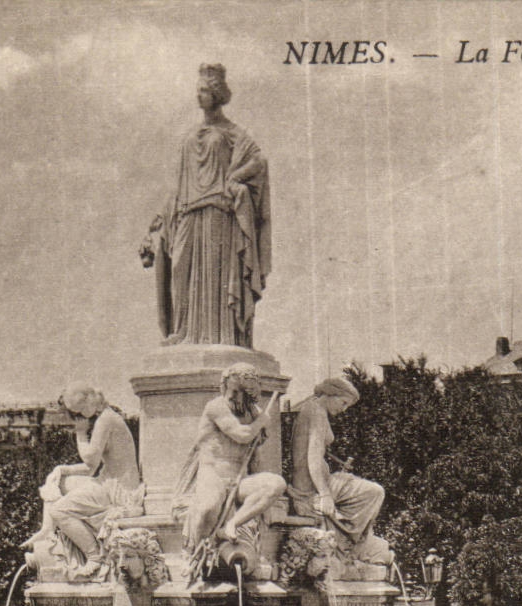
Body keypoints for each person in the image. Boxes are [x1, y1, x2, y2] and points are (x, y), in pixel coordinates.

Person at [140, 64, 270, 347]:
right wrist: (157, 223)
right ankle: (182, 331)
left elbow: (259, 162)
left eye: (204, 90)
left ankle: (221, 336)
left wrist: (234, 177)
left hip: (216, 214)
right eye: (197, 90)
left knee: (214, 280)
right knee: (180, 272)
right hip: (186, 212)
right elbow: (177, 183)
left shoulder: (232, 132)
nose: (199, 96)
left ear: (217, 94)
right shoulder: (190, 134)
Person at [23, 383, 143, 579]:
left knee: (59, 510)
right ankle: (46, 529)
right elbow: (90, 469)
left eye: (76, 413)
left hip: (117, 488)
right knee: (57, 481)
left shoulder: (106, 421)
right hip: (108, 481)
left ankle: (94, 556)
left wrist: (80, 434)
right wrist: (61, 469)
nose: (77, 418)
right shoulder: (107, 417)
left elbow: (90, 461)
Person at [175, 363, 285, 564]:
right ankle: (197, 551)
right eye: (228, 389)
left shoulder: (253, 413)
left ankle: (232, 523)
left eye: (237, 391)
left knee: (275, 484)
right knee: (208, 506)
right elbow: (242, 434)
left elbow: (255, 457)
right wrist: (262, 421)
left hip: (238, 479)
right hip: (213, 474)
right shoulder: (216, 407)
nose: (231, 395)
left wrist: (262, 498)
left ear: (248, 393)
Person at [289, 376, 392, 566]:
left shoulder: (311, 408)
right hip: (312, 487)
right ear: (331, 393)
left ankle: (352, 542)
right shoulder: (317, 412)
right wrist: (325, 494)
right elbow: (313, 456)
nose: (343, 409)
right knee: (375, 492)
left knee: (366, 489)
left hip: (315, 481)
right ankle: (352, 545)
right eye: (343, 402)